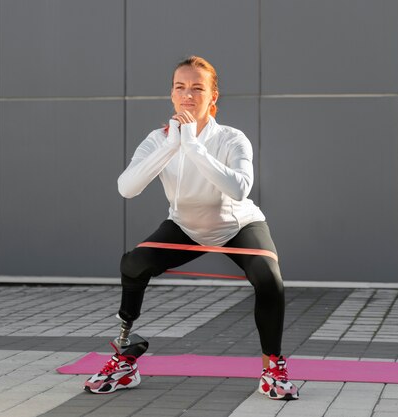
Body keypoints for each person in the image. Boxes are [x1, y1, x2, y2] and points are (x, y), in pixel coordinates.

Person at [84, 56, 299, 400]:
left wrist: (193, 146)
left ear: (213, 97)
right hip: (186, 226)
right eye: (180, 87)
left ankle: (272, 367)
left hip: (237, 225)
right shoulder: (157, 140)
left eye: (197, 88)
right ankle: (125, 357)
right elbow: (127, 188)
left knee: (269, 279)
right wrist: (172, 145)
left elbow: (239, 188)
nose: (188, 94)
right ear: (172, 95)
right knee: (133, 264)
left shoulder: (232, 139)